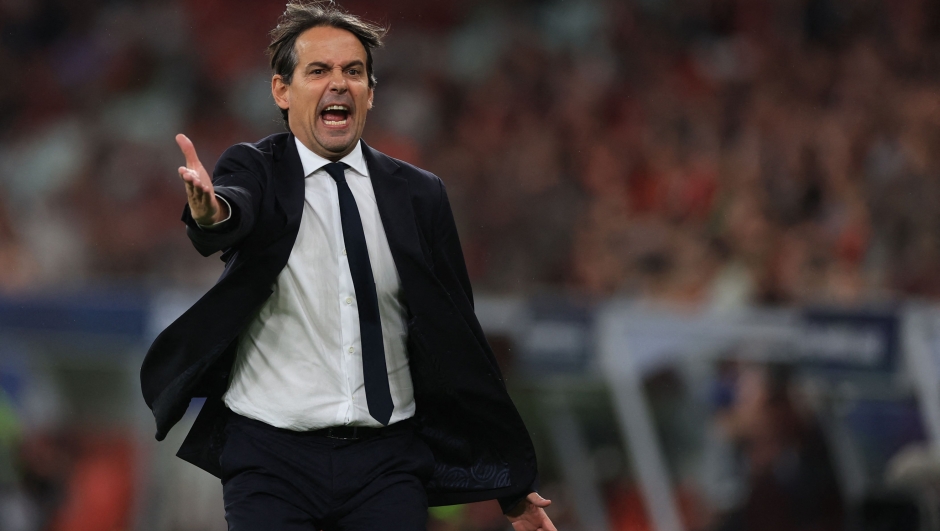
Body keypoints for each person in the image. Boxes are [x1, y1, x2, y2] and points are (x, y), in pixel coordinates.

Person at [139, 2, 556, 531]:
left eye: (353, 71)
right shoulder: (257, 169)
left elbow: (458, 340)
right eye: (319, 70)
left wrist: (512, 486)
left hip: (387, 462)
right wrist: (211, 212)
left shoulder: (419, 195)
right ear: (281, 91)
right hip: (270, 459)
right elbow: (230, 209)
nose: (339, 83)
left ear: (371, 93)